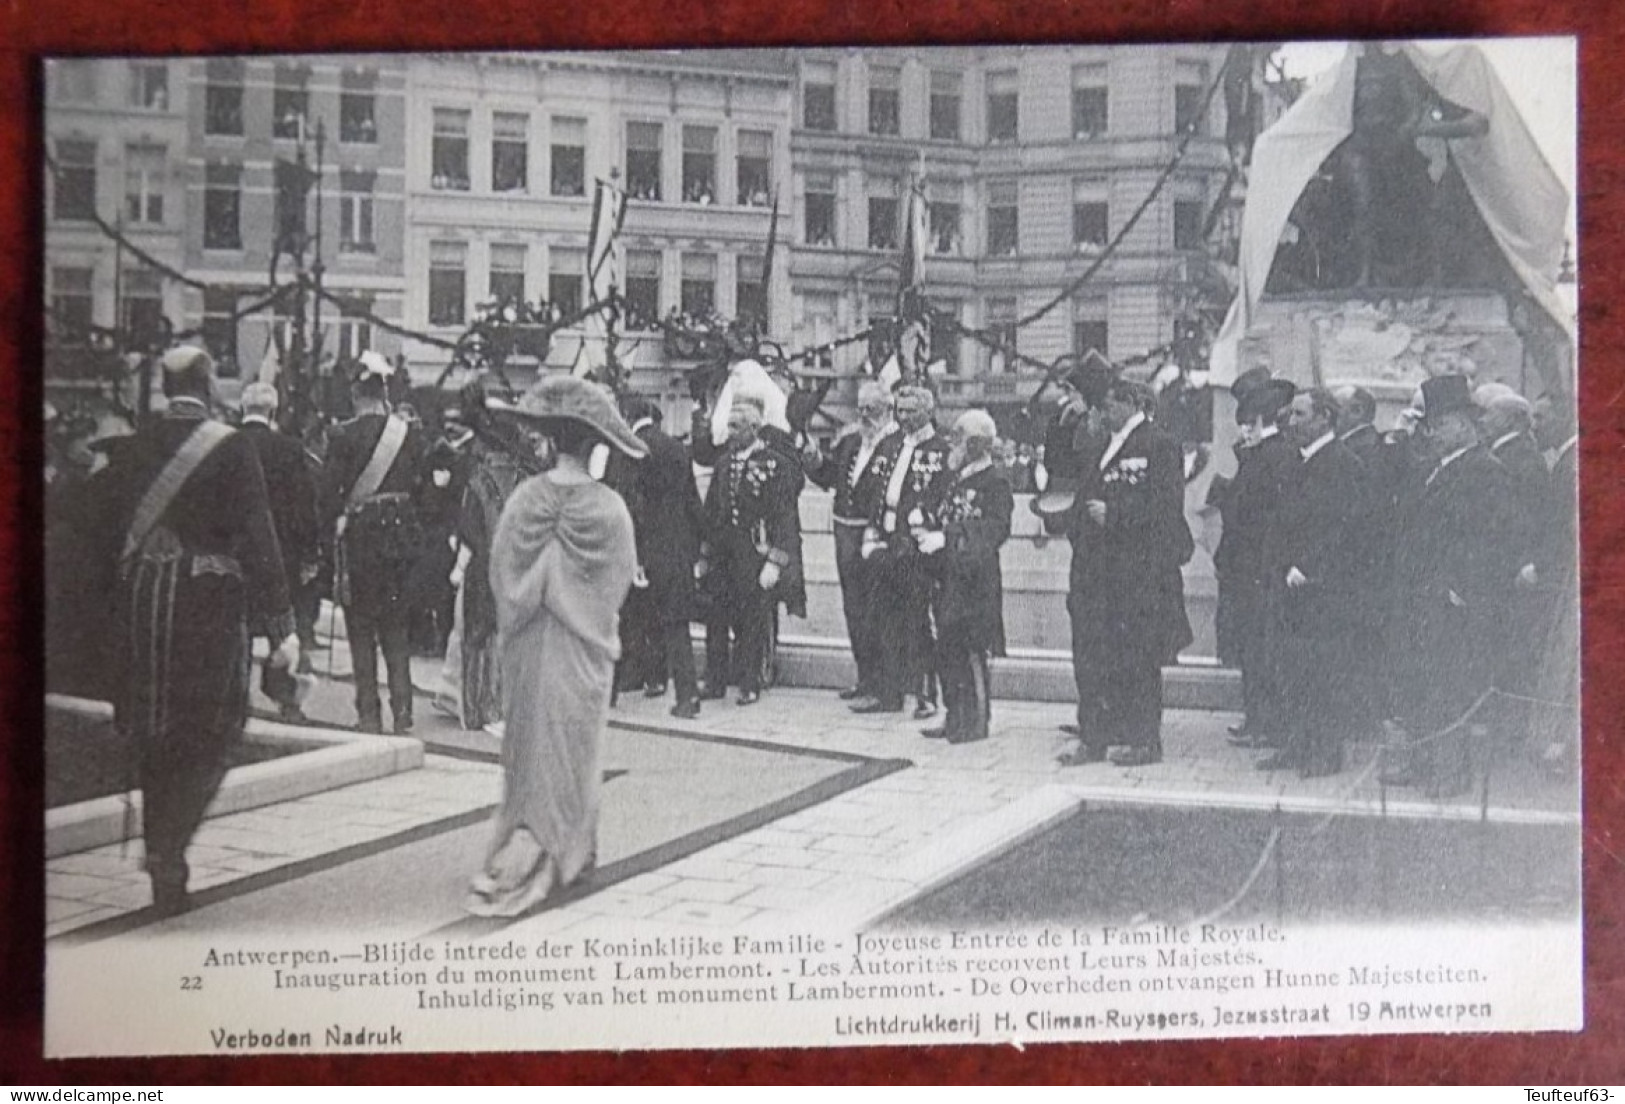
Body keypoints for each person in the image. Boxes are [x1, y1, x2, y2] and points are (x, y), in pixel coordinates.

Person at [97, 345, 299, 915]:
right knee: (213, 732)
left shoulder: (134, 445)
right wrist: (280, 623)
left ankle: (161, 845)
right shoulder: (230, 445)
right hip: (207, 608)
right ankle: (171, 846)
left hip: (140, 605)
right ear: (209, 384)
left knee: (154, 731)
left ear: (164, 386)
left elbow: (108, 534)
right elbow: (259, 537)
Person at [466, 376, 646, 917]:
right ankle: (569, 852)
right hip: (581, 645)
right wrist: (585, 607)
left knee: (528, 747)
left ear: (548, 440)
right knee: (575, 747)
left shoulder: (526, 499)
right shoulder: (610, 508)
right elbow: (616, 583)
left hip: (527, 642)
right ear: (597, 444)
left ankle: (527, 846)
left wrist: (527, 601)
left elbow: (501, 570)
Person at [1382, 374, 1520, 793]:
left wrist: (1459, 587)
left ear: (1462, 423)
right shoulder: (1439, 467)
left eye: (1438, 425)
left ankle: (1451, 773)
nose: (1432, 433)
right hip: (1422, 596)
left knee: (1448, 685)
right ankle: (1424, 761)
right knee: (1422, 681)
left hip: (1449, 601)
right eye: (1429, 426)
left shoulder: (1484, 470)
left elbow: (1494, 537)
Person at [1059, 374, 1194, 767]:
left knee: (1136, 659)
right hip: (1094, 574)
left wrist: (1116, 514)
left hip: (1135, 576)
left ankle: (1143, 740)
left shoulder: (1160, 444)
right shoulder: (1101, 444)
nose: (1103, 411)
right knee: (1092, 658)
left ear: (1131, 403)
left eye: (1110, 404)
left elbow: (1167, 508)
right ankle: (1095, 736)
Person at [1261, 389, 1372, 778]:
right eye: (1292, 414)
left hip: (1322, 589)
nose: (1292, 422)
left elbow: (1347, 529)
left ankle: (1324, 754)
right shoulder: (1296, 461)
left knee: (1321, 672)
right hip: (1289, 584)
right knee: (1291, 670)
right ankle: (1296, 745)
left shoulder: (1344, 464)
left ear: (1325, 418)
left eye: (1300, 414)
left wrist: (1307, 567)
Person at [324, 351, 429, 734]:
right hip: (401, 539)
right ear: (382, 392)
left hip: (362, 541)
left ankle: (368, 713)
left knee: (361, 629)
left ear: (355, 394)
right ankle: (404, 712)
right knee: (396, 628)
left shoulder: (342, 435)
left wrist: (335, 523)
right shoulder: (407, 434)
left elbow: (329, 495)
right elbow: (420, 486)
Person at [851, 384, 952, 719]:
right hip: (885, 540)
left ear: (928, 411)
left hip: (916, 546)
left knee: (918, 622)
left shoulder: (940, 451)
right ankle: (888, 692)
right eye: (900, 410)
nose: (904, 417)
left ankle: (926, 694)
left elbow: (944, 499)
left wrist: (926, 530)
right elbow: (867, 488)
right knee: (883, 619)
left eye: (911, 411)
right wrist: (873, 530)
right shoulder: (890, 444)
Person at [697, 395, 805, 706]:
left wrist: (775, 561)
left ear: (754, 429)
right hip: (723, 554)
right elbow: (712, 511)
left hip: (753, 553)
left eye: (736, 426)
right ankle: (715, 680)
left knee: (751, 620)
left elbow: (784, 517)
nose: (729, 432)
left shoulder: (774, 465)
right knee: (716, 617)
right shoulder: (724, 463)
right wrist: (704, 555)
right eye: (729, 425)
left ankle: (749, 682)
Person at [1213, 369, 1298, 751]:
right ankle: (1258, 718)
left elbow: (1260, 512)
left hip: (1258, 567)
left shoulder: (1274, 454)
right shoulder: (1261, 454)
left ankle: (1267, 720)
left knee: (1262, 648)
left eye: (1248, 418)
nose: (1243, 426)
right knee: (1252, 647)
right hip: (1248, 567)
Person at [916, 409, 1013, 744]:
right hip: (948, 576)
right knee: (947, 648)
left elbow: (995, 529)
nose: (952, 442)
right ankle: (954, 713)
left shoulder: (995, 482)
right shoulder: (954, 477)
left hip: (975, 581)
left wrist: (951, 536)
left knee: (972, 650)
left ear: (976, 444)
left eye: (959, 437)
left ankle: (975, 720)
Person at [801, 381, 896, 703]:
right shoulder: (852, 441)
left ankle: (887, 687)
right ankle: (866, 679)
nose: (864, 415)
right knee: (854, 610)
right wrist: (812, 458)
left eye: (871, 409)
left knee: (879, 611)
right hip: (845, 534)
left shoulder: (897, 446)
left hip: (877, 537)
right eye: (861, 408)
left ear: (888, 410)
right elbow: (830, 476)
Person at [448, 387, 535, 732]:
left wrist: (457, 569)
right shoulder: (527, 480)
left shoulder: (478, 480)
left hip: (484, 566)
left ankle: (475, 711)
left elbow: (468, 531)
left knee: (477, 636)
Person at [237, 383, 322, 721]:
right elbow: (304, 505)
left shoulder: (227, 444)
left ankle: (237, 698)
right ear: (272, 412)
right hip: (280, 554)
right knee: (283, 631)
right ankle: (288, 701)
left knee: (239, 627)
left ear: (243, 410)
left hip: (237, 554)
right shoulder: (289, 449)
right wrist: (310, 553)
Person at [620, 394, 706, 719]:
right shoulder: (677, 449)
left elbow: (633, 506)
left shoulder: (632, 449)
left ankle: (633, 685)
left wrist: (636, 554)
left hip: (649, 548)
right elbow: (692, 502)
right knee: (676, 623)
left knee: (635, 618)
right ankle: (687, 695)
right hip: (679, 548)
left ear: (629, 418)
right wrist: (699, 546)